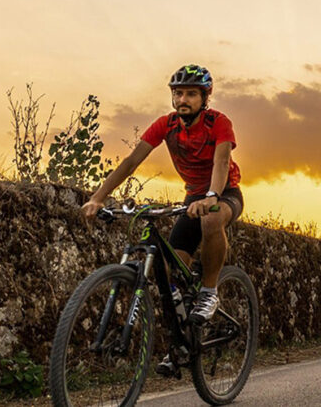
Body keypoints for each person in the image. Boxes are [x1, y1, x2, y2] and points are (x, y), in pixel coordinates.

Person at [80, 64, 243, 375]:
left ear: (204, 97)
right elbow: (131, 161)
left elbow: (221, 161)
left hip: (223, 193)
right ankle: (180, 342)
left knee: (211, 221)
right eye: (178, 93)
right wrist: (99, 196)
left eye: (191, 94)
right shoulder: (166, 125)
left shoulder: (218, 123)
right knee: (166, 272)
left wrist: (211, 196)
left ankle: (209, 292)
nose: (183, 99)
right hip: (193, 197)